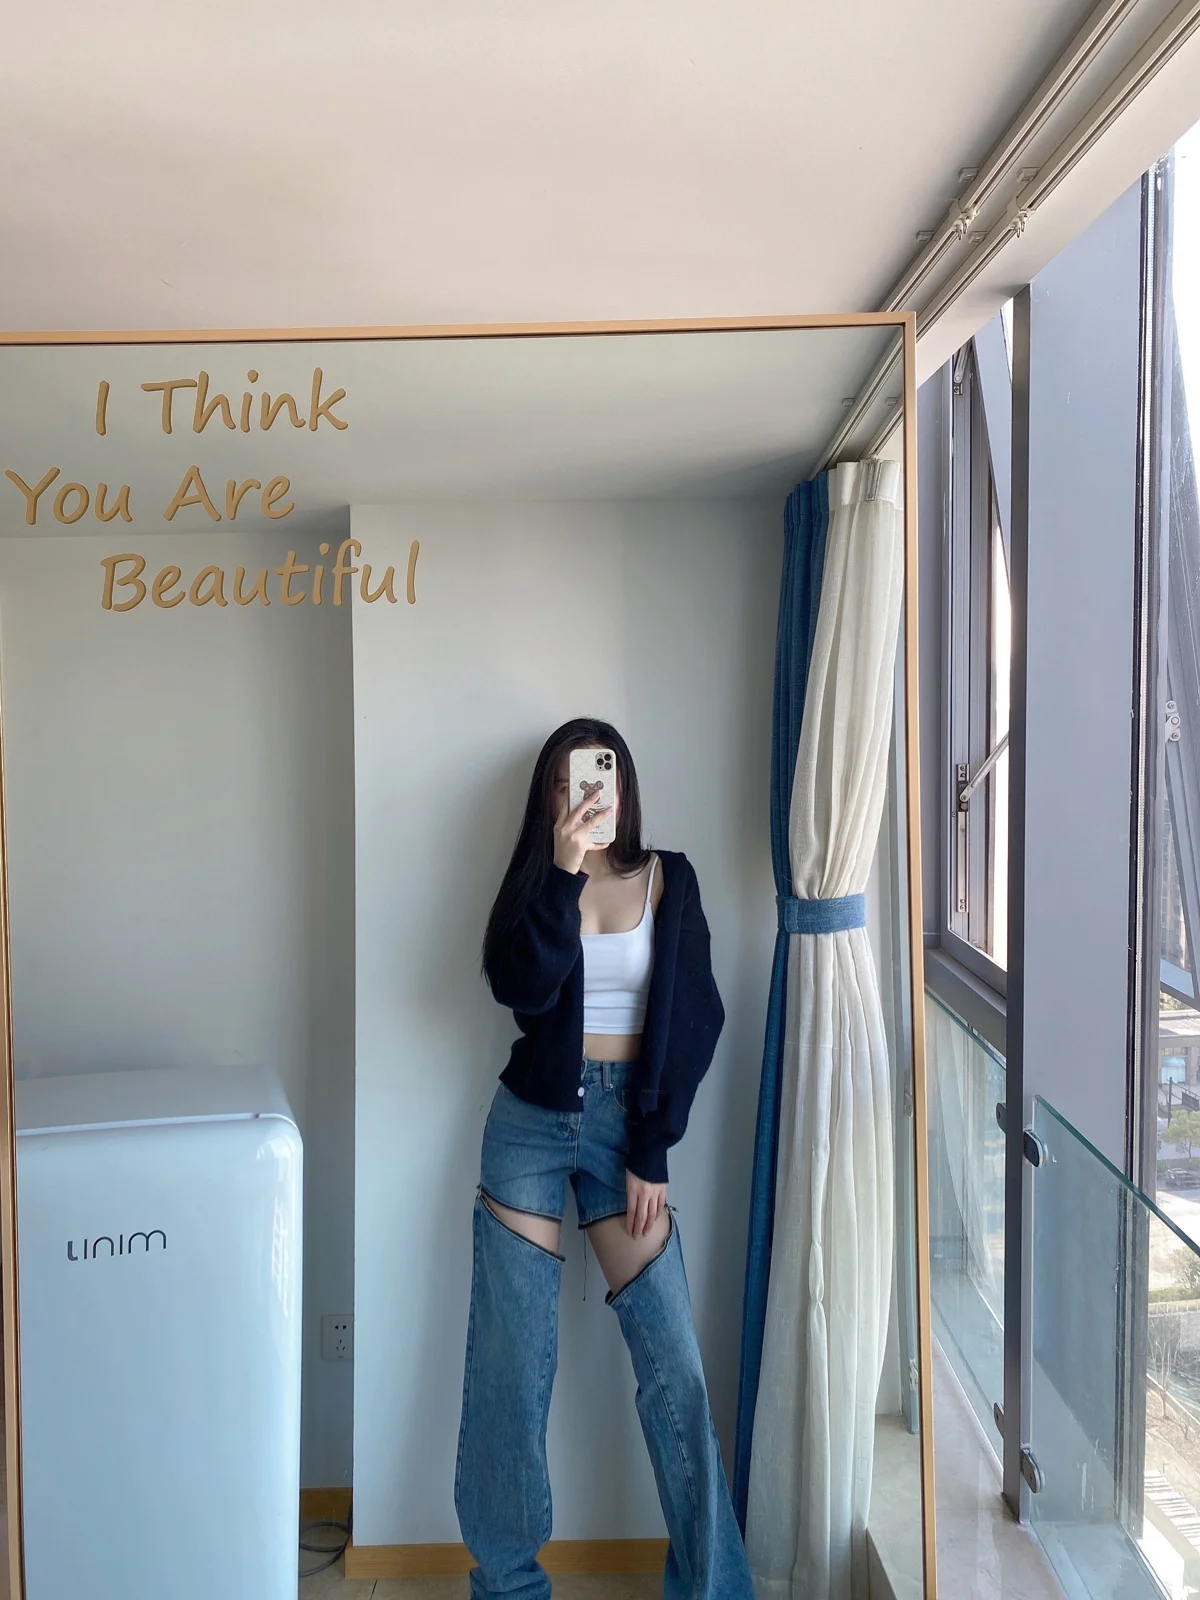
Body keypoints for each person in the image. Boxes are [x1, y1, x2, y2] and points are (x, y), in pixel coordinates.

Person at [454, 717, 754, 1600]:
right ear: (548, 797)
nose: (584, 791)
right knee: (512, 1371)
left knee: (675, 1371)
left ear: (623, 786)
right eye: (566, 780)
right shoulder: (537, 883)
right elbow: (522, 990)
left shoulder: (670, 878)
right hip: (530, 1125)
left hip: (628, 1130)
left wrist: (652, 1149)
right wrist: (560, 871)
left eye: (598, 773)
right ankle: (508, 1586)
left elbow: (697, 1019)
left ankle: (715, 1589)